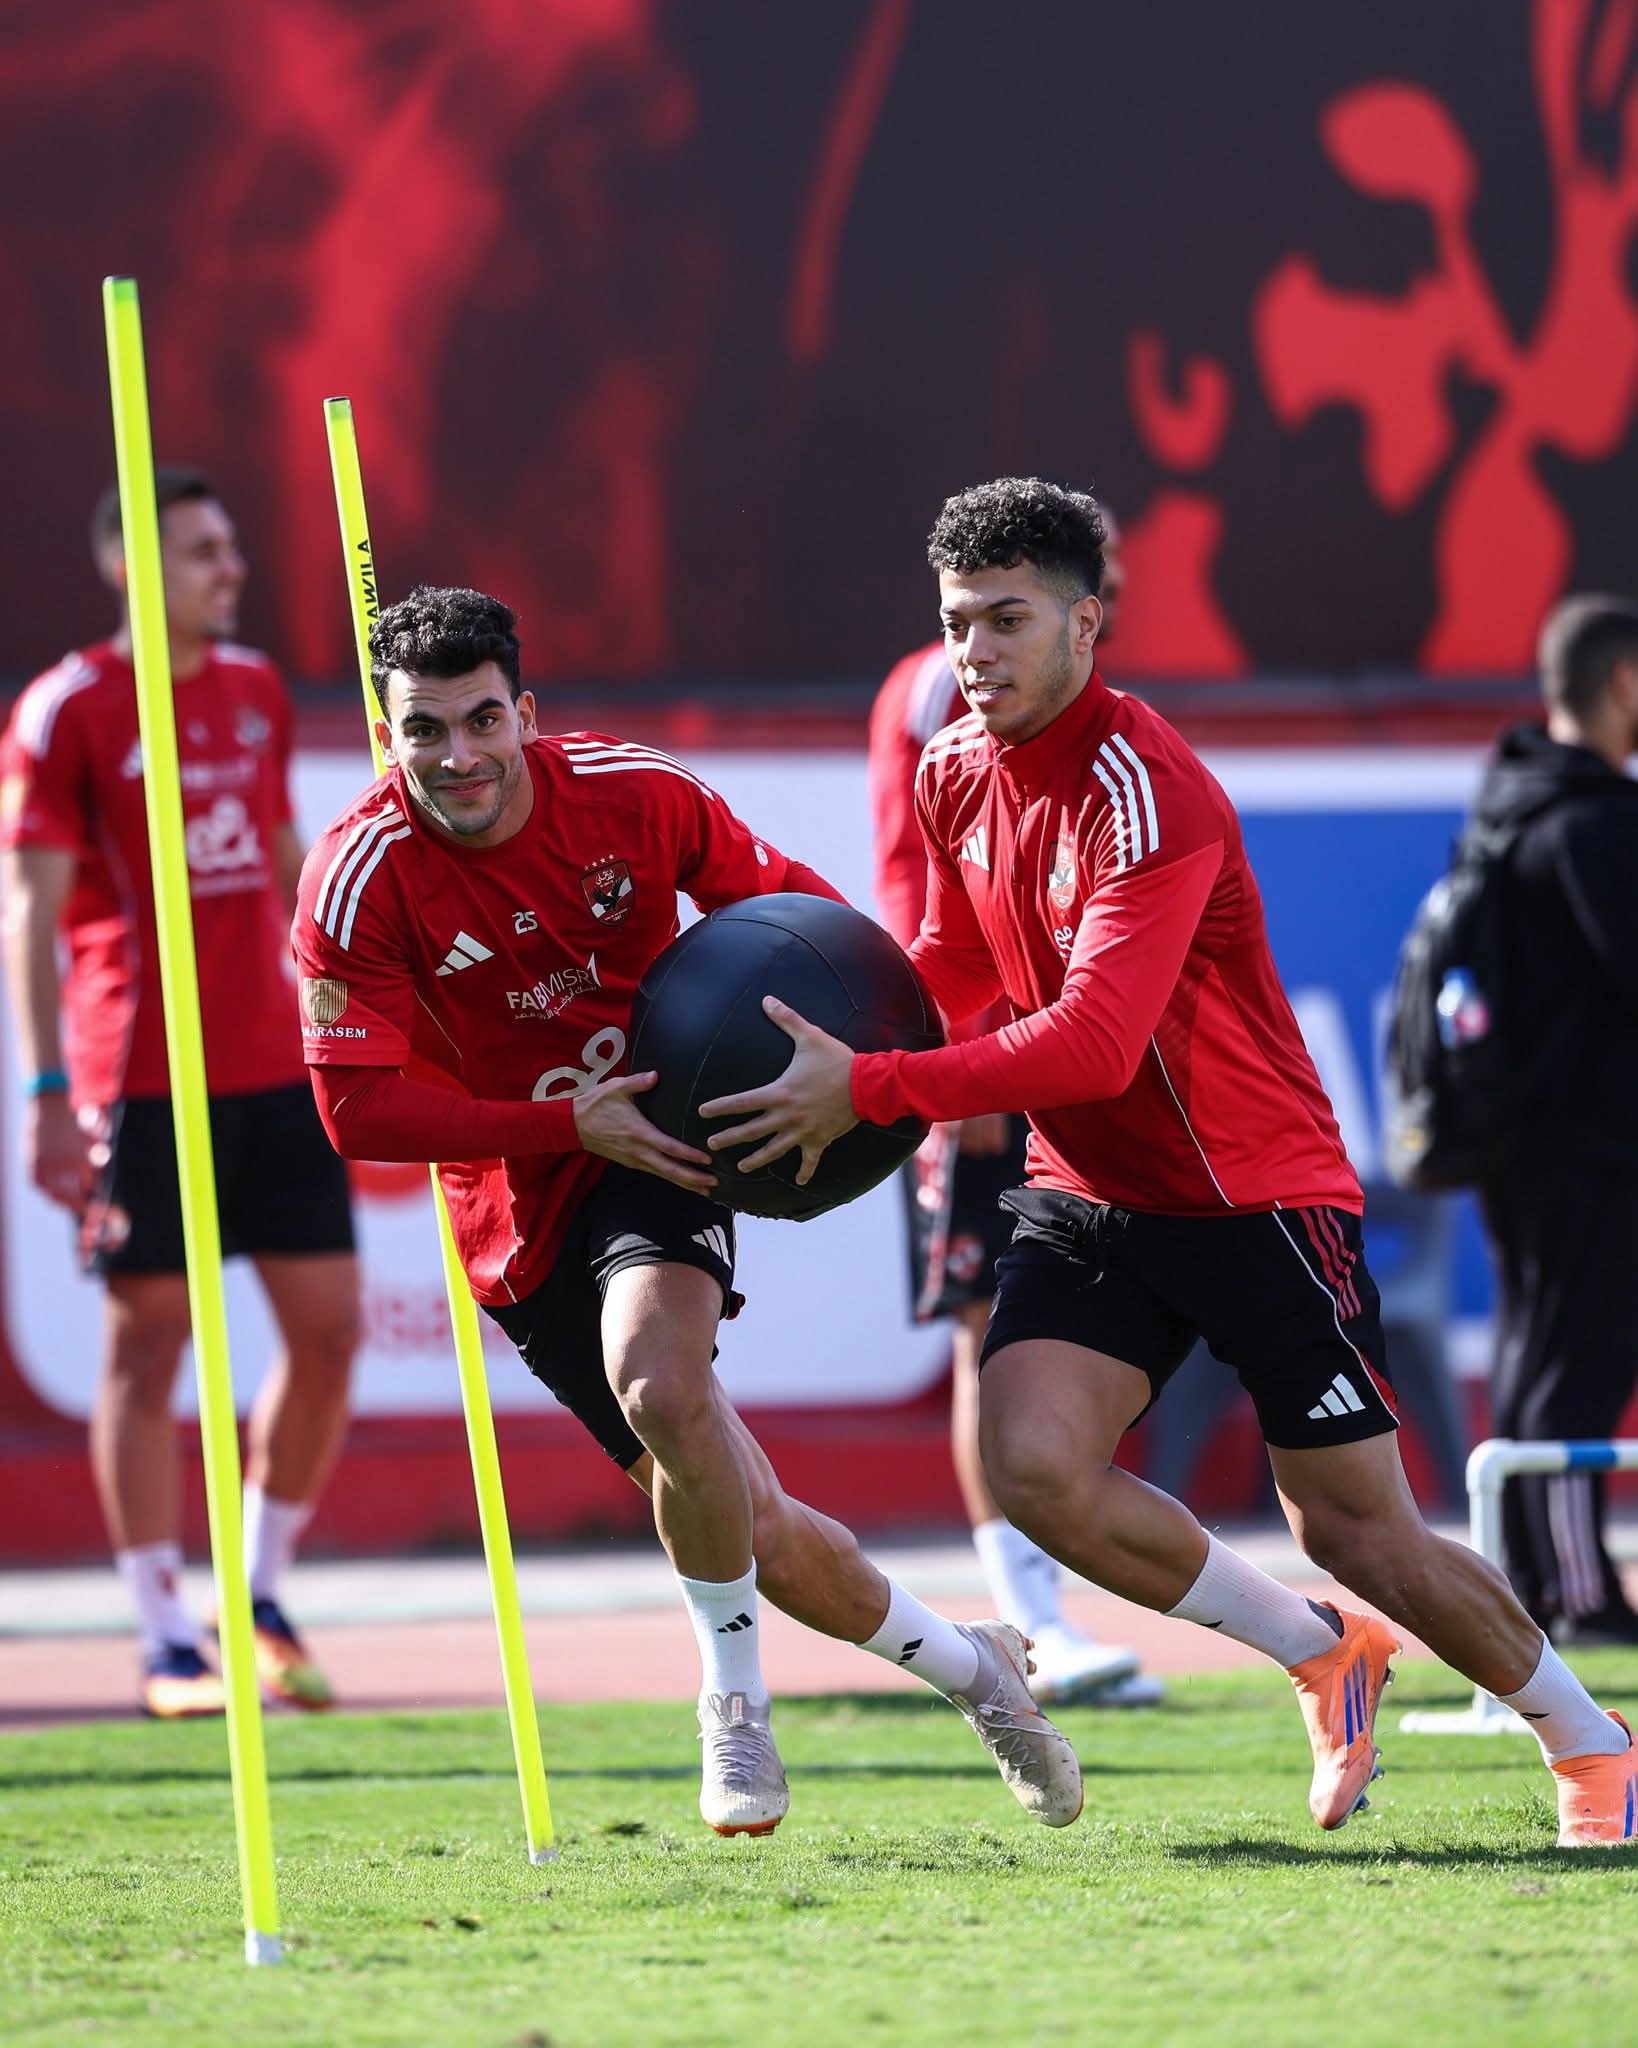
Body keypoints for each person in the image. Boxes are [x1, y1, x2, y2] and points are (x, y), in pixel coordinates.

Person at [699, 477, 1638, 1847]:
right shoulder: (951, 766)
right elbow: (957, 961)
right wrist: (849, 1051)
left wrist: (877, 1088)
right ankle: (1319, 1648)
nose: (975, 651)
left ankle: (1589, 1739)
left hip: (1255, 1195)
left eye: (1008, 619)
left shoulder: (1146, 790)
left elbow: (1093, 1042)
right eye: (956, 622)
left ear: (1087, 623)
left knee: (1357, 1529)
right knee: (1032, 1466)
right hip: (1091, 1194)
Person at [291, 583, 1083, 1838]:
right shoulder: (357, 875)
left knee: (660, 1385)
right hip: (520, 1200)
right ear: (389, 736)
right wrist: (568, 1122)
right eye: (424, 730)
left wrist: (862, 1069)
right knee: (757, 1524)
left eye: (483, 720)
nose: (458, 755)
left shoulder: (636, 794)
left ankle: (733, 1705)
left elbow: (807, 927)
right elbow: (355, 1113)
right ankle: (977, 1668)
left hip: (664, 1146)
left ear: (525, 714)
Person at [0, 468, 359, 1719]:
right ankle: (163, 1634)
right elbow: (30, 910)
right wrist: (48, 1088)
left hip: (275, 1062)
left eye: (230, 545)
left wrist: (356, 972)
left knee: (330, 1329)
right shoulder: (69, 708)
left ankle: (256, 1594)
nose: (231, 568)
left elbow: (283, 852)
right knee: (147, 1345)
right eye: (203, 549)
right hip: (138, 1076)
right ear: (129, 565)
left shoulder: (256, 687)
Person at [867, 514, 1158, 1706]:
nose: (1115, 586)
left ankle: (1052, 1608)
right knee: (988, 1324)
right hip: (975, 1054)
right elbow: (929, 883)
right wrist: (958, 1057)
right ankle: (1029, 1622)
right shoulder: (952, 692)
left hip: (1023, 1046)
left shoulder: (1085, 717)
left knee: (1037, 1319)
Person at [1468, 595, 1638, 1647]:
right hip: (1593, 1146)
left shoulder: (1512, 805)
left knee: (1537, 1353)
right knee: (1578, 1363)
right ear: (1623, 683)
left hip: (1517, 1139)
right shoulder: (1598, 821)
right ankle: (1577, 1591)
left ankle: (1533, 1578)